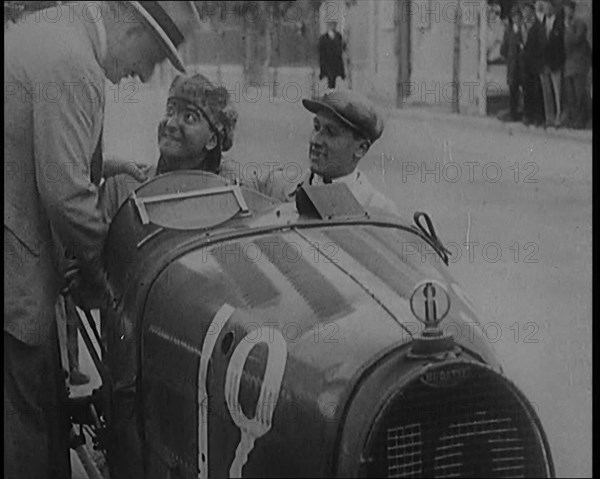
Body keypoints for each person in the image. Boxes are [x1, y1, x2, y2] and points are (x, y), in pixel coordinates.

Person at [4, 2, 199, 478]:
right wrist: (110, 276)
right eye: (151, 58)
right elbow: (67, 197)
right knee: (27, 438)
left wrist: (104, 166)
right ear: (132, 26)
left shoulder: (49, 32)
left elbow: (33, 143)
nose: (141, 73)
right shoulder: (74, 63)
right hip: (17, 282)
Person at [100, 72, 244, 219]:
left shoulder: (231, 197)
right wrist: (95, 167)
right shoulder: (122, 188)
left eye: (189, 117)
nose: (170, 123)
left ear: (212, 140)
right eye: (170, 111)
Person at [259, 90, 400, 216]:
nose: (315, 140)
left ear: (361, 148)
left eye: (331, 133)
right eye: (316, 127)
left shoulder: (379, 211)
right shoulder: (275, 186)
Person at [562, 0, 592, 129]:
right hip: (569, 64)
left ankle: (581, 119)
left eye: (568, 9)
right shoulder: (566, 24)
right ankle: (574, 119)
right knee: (571, 94)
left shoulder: (579, 24)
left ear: (573, 10)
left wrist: (568, 28)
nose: (566, 12)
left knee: (580, 93)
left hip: (579, 64)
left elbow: (575, 40)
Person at [539, 0, 566, 127]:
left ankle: (559, 116)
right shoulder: (543, 22)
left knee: (558, 91)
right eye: (544, 6)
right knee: (546, 92)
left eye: (547, 6)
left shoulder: (559, 23)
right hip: (544, 62)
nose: (545, 9)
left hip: (556, 62)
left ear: (553, 7)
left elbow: (562, 43)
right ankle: (549, 117)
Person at [520, 2, 546, 127]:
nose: (525, 12)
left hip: (535, 64)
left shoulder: (538, 27)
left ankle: (537, 117)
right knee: (527, 90)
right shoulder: (522, 26)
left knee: (536, 91)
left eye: (527, 10)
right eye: (523, 10)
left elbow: (541, 46)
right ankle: (527, 115)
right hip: (525, 65)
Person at [501, 6, 525, 121]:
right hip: (512, 65)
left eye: (518, 16)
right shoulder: (509, 31)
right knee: (513, 89)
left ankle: (523, 111)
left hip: (522, 65)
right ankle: (513, 112)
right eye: (514, 16)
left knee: (524, 89)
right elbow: (504, 48)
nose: (516, 18)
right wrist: (509, 57)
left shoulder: (523, 30)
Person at [318, 20, 346, 90]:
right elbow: (321, 52)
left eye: (334, 25)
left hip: (336, 62)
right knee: (330, 78)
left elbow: (341, 49)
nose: (332, 27)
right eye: (330, 25)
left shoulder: (339, 36)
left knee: (334, 78)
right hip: (328, 62)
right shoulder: (323, 38)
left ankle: (332, 91)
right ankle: (330, 92)